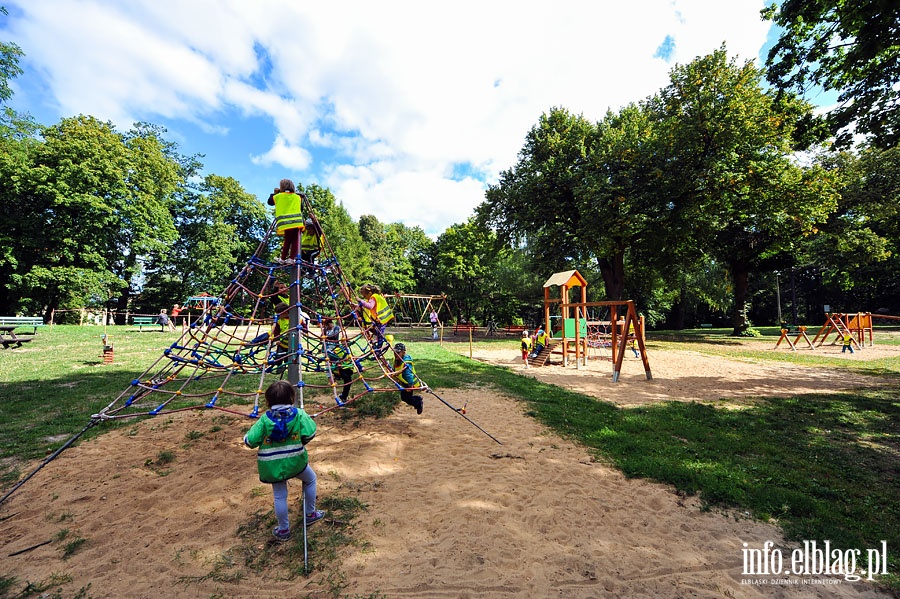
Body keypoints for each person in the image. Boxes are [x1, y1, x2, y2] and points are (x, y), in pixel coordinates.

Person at [243, 380, 323, 542]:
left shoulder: (265, 420)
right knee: (310, 479)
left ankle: (284, 530)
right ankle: (310, 513)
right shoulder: (299, 414)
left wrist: (246, 437)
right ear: (292, 398)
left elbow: (250, 441)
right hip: (296, 462)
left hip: (272, 466)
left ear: (268, 401)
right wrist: (301, 442)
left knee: (280, 496)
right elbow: (311, 432)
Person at [267, 179, 305, 264]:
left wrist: (274, 193)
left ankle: (283, 258)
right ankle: (291, 259)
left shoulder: (278, 196)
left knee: (287, 240)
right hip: (297, 221)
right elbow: (301, 208)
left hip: (286, 222)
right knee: (295, 240)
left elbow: (270, 202)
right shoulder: (297, 197)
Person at [322, 318, 353, 404]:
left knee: (346, 377)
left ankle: (343, 395)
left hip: (336, 353)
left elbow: (335, 336)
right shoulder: (325, 330)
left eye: (329, 324)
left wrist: (327, 337)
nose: (329, 326)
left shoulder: (336, 328)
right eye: (327, 325)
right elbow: (322, 339)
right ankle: (334, 379)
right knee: (330, 366)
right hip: (329, 352)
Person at [357, 283, 394, 352]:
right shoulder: (375, 296)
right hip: (381, 319)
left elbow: (370, 306)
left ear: (370, 293)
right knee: (376, 331)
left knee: (379, 334)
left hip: (382, 319)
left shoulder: (373, 297)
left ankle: (378, 350)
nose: (364, 298)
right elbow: (365, 306)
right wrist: (356, 305)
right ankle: (377, 343)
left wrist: (360, 301)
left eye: (365, 296)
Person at [391, 342, 423, 414]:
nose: (395, 354)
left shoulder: (406, 362)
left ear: (403, 352)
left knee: (407, 398)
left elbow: (409, 375)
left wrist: (410, 386)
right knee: (404, 398)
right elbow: (395, 369)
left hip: (409, 383)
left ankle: (418, 402)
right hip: (404, 382)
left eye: (398, 352)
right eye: (394, 352)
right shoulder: (397, 360)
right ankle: (418, 401)